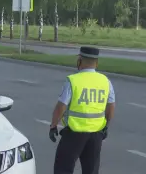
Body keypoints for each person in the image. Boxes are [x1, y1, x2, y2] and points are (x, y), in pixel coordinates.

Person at [49, 46, 116, 174]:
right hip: (96, 134)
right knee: (91, 170)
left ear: (79, 61)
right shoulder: (105, 81)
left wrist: (53, 125)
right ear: (96, 63)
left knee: (63, 168)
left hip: (74, 133)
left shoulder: (73, 80)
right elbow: (111, 107)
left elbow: (61, 106)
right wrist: (106, 126)